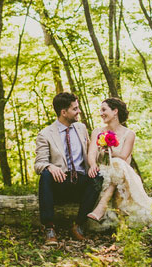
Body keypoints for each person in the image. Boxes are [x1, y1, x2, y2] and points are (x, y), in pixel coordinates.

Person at [34, 92, 102, 245]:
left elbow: (91, 155)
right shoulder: (45, 134)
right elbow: (38, 164)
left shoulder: (81, 128)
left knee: (99, 176)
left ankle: (78, 225)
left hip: (80, 182)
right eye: (75, 109)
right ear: (63, 112)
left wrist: (102, 152)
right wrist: (50, 166)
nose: (79, 111)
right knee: (45, 175)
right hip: (61, 184)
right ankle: (49, 228)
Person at [86, 97, 152, 226]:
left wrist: (110, 151)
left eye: (104, 110)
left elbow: (124, 156)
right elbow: (92, 153)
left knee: (118, 162)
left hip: (121, 172)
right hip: (103, 170)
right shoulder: (97, 131)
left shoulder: (129, 134)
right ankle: (103, 206)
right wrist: (93, 165)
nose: (101, 113)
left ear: (115, 111)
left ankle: (101, 206)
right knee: (116, 165)